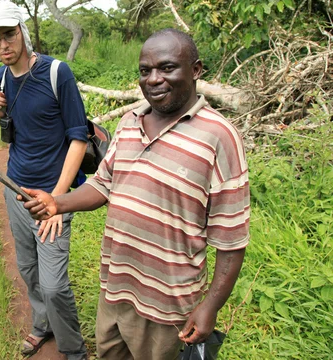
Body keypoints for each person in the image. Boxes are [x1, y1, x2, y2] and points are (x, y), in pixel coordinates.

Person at [21, 29, 250, 360]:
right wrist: (58, 202)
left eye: (167, 68)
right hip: (115, 290)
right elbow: (103, 183)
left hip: (168, 309)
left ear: (196, 70)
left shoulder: (219, 137)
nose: (154, 79)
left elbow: (231, 241)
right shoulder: (130, 121)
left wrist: (211, 306)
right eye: (145, 70)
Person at [0, 0, 88, 359]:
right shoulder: (1, 78)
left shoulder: (58, 73)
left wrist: (58, 200)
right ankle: (42, 324)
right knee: (28, 269)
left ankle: (74, 350)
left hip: (52, 193)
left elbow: (78, 137)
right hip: (15, 189)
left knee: (55, 284)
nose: (4, 45)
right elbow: (13, 138)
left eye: (9, 34)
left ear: (22, 31)